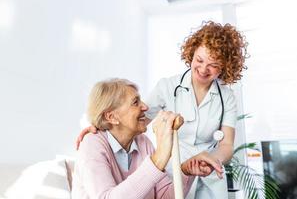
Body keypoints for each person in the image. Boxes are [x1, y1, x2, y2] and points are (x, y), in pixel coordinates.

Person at [76, 21, 248, 199]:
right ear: (192, 52)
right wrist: (97, 126)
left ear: (225, 67)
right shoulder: (167, 87)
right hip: (173, 171)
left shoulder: (226, 97)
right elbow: (134, 117)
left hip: (208, 174)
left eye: (213, 65)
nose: (204, 69)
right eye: (200, 60)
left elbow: (226, 145)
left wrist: (211, 159)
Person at [72, 78, 223, 199]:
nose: (145, 107)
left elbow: (163, 196)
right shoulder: (92, 145)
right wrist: (158, 159)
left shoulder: (143, 142)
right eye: (135, 102)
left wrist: (184, 171)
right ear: (112, 117)